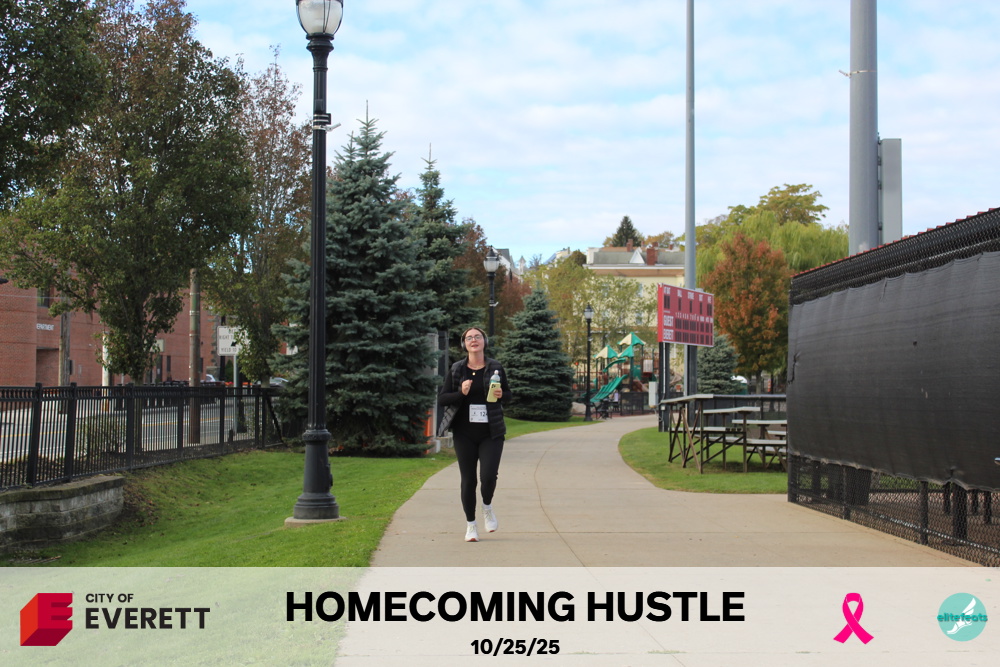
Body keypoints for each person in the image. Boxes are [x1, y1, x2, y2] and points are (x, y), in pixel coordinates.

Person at [438, 326, 511, 542]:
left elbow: (508, 395)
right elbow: (443, 399)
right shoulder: (457, 369)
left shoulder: (495, 367)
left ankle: (487, 506)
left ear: (484, 341)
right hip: (464, 433)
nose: (473, 340)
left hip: (491, 432)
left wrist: (501, 394)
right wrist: (461, 392)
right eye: (469, 338)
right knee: (468, 480)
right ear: (464, 344)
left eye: (477, 336)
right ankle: (471, 525)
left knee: (488, 477)